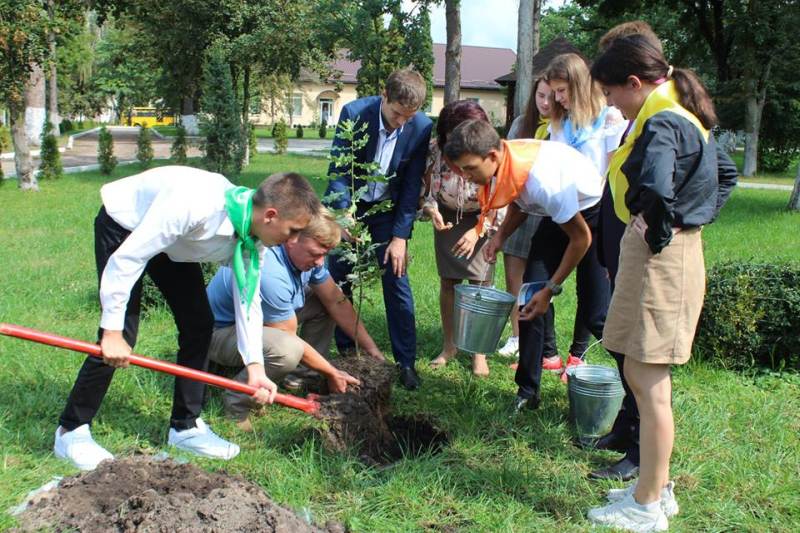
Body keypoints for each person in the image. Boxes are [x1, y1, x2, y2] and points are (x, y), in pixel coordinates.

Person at [54, 166, 321, 471]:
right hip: (127, 226)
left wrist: (255, 368)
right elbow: (127, 259)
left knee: (198, 325)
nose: (293, 241)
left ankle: (185, 427)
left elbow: (248, 302)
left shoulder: (254, 236)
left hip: (175, 242)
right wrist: (111, 331)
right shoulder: (196, 205)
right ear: (270, 215)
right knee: (121, 334)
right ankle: (70, 431)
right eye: (293, 232)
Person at [585, 35, 736, 531]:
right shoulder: (679, 111)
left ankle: (647, 507)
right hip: (659, 252)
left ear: (634, 83)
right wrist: (687, 218)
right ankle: (654, 484)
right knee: (637, 368)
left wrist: (663, 224)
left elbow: (654, 184)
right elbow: (727, 175)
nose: (609, 103)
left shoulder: (664, 120)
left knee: (650, 384)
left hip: (663, 260)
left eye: (610, 93)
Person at [443, 120, 608, 413]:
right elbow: (518, 200)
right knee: (528, 301)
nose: (467, 177)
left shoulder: (543, 182)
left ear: (492, 156)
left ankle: (636, 385)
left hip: (590, 217)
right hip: (555, 216)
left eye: (470, 168)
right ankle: (527, 391)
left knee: (597, 314)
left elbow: (580, 239)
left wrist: (551, 288)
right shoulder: (506, 162)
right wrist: (500, 237)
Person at [206, 209, 384, 427]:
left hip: (254, 323)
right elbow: (290, 338)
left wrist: (371, 348)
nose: (320, 262)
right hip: (216, 334)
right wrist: (332, 372)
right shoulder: (270, 271)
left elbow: (335, 301)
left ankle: (301, 377)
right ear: (292, 239)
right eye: (316, 253)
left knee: (325, 302)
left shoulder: (304, 257)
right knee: (286, 350)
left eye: (325, 254)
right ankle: (238, 401)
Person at [325, 68, 433, 390]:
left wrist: (400, 237)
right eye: (398, 114)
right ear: (384, 96)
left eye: (408, 117)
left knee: (397, 280)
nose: (402, 122)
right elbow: (339, 170)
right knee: (341, 274)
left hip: (387, 211)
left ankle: (406, 362)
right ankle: (347, 352)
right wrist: (345, 215)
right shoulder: (355, 114)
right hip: (353, 207)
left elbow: (411, 185)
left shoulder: (421, 127)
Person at [539, 52, 628, 374]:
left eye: (562, 91)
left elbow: (615, 172)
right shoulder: (559, 121)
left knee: (591, 291)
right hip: (558, 211)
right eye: (554, 91)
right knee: (538, 280)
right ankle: (547, 354)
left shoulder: (610, 119)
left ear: (580, 84)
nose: (557, 98)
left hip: (594, 213)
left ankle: (578, 356)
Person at [420, 100, 504, 376]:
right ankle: (450, 346)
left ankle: (479, 352)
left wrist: (479, 229)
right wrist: (432, 210)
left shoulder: (492, 153)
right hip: (447, 216)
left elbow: (501, 197)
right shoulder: (435, 149)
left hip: (482, 216)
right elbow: (427, 187)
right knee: (449, 281)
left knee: (481, 283)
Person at [498, 77, 560, 369]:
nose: (545, 102)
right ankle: (516, 335)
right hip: (519, 207)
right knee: (514, 278)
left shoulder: (561, 126)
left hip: (547, 212)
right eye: (541, 95)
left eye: (552, 96)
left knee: (538, 281)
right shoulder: (521, 123)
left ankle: (544, 345)